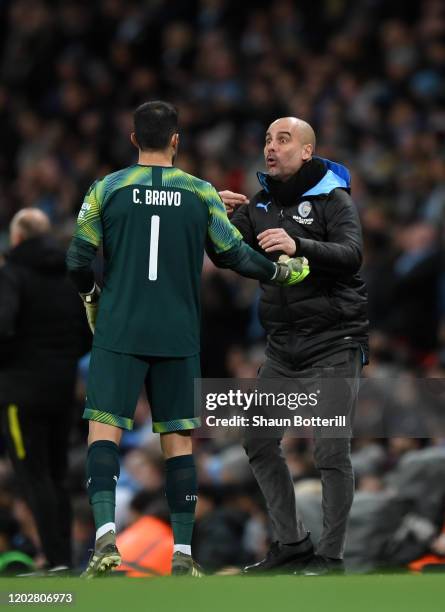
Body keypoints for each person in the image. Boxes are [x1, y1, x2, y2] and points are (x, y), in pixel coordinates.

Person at [66, 101, 310, 578]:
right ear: (176, 141)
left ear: (134, 139)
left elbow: (77, 259)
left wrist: (91, 293)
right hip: (178, 332)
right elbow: (234, 257)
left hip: (119, 327)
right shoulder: (199, 194)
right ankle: (182, 554)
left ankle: (102, 542)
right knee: (178, 444)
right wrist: (282, 272)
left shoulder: (107, 188)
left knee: (104, 433)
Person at [219, 116, 369, 575]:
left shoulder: (333, 197)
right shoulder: (259, 204)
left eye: (283, 140)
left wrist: (298, 244)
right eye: (266, 139)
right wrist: (213, 216)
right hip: (283, 347)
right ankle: (292, 544)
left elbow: (352, 255)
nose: (271, 147)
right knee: (259, 441)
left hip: (333, 340)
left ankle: (331, 556)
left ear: (306, 150)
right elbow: (224, 255)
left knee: (329, 450)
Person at [0, 208, 89, 571]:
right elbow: (88, 329)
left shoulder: (12, 274)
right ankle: (62, 560)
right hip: (62, 390)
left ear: (17, 237)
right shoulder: (69, 276)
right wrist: (60, 360)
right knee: (56, 476)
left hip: (21, 392)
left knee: (32, 476)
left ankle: (54, 561)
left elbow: (2, 326)